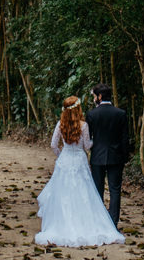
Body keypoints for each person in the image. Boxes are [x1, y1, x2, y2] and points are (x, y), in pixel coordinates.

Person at [34, 96, 125, 247]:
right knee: (83, 193)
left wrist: (61, 155)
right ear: (78, 109)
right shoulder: (83, 126)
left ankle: (63, 223)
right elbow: (87, 145)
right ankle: (85, 223)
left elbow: (53, 145)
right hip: (79, 160)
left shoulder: (60, 124)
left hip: (65, 160)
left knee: (64, 194)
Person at [85, 83, 129, 225]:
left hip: (97, 156)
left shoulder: (92, 114)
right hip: (116, 157)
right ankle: (113, 223)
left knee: (98, 190)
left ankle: (99, 222)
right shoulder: (120, 113)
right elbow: (124, 139)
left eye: (94, 96)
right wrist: (125, 157)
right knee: (115, 190)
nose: (93, 99)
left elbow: (88, 138)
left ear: (99, 96)